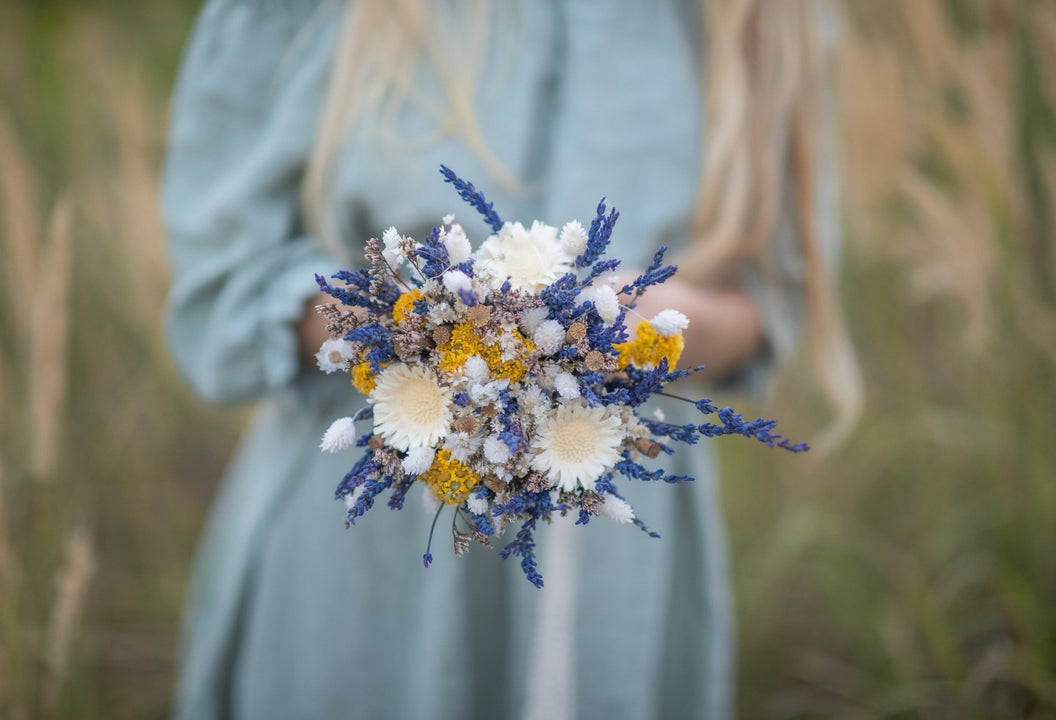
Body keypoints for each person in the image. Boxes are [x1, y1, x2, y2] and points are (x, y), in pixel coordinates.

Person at [163, 1, 860, 718]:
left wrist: (644, 324)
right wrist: (425, 323)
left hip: (616, 569)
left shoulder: (763, 17)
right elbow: (223, 288)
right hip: (366, 562)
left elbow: (772, 298)